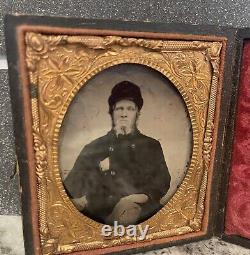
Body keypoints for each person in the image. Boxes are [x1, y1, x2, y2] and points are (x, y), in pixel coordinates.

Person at [64, 81, 171, 226]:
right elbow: (73, 186)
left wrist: (137, 198)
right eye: (119, 108)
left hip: (142, 210)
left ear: (137, 114)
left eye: (130, 109)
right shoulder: (94, 147)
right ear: (112, 113)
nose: (124, 114)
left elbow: (162, 182)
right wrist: (96, 169)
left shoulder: (151, 145)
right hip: (101, 214)